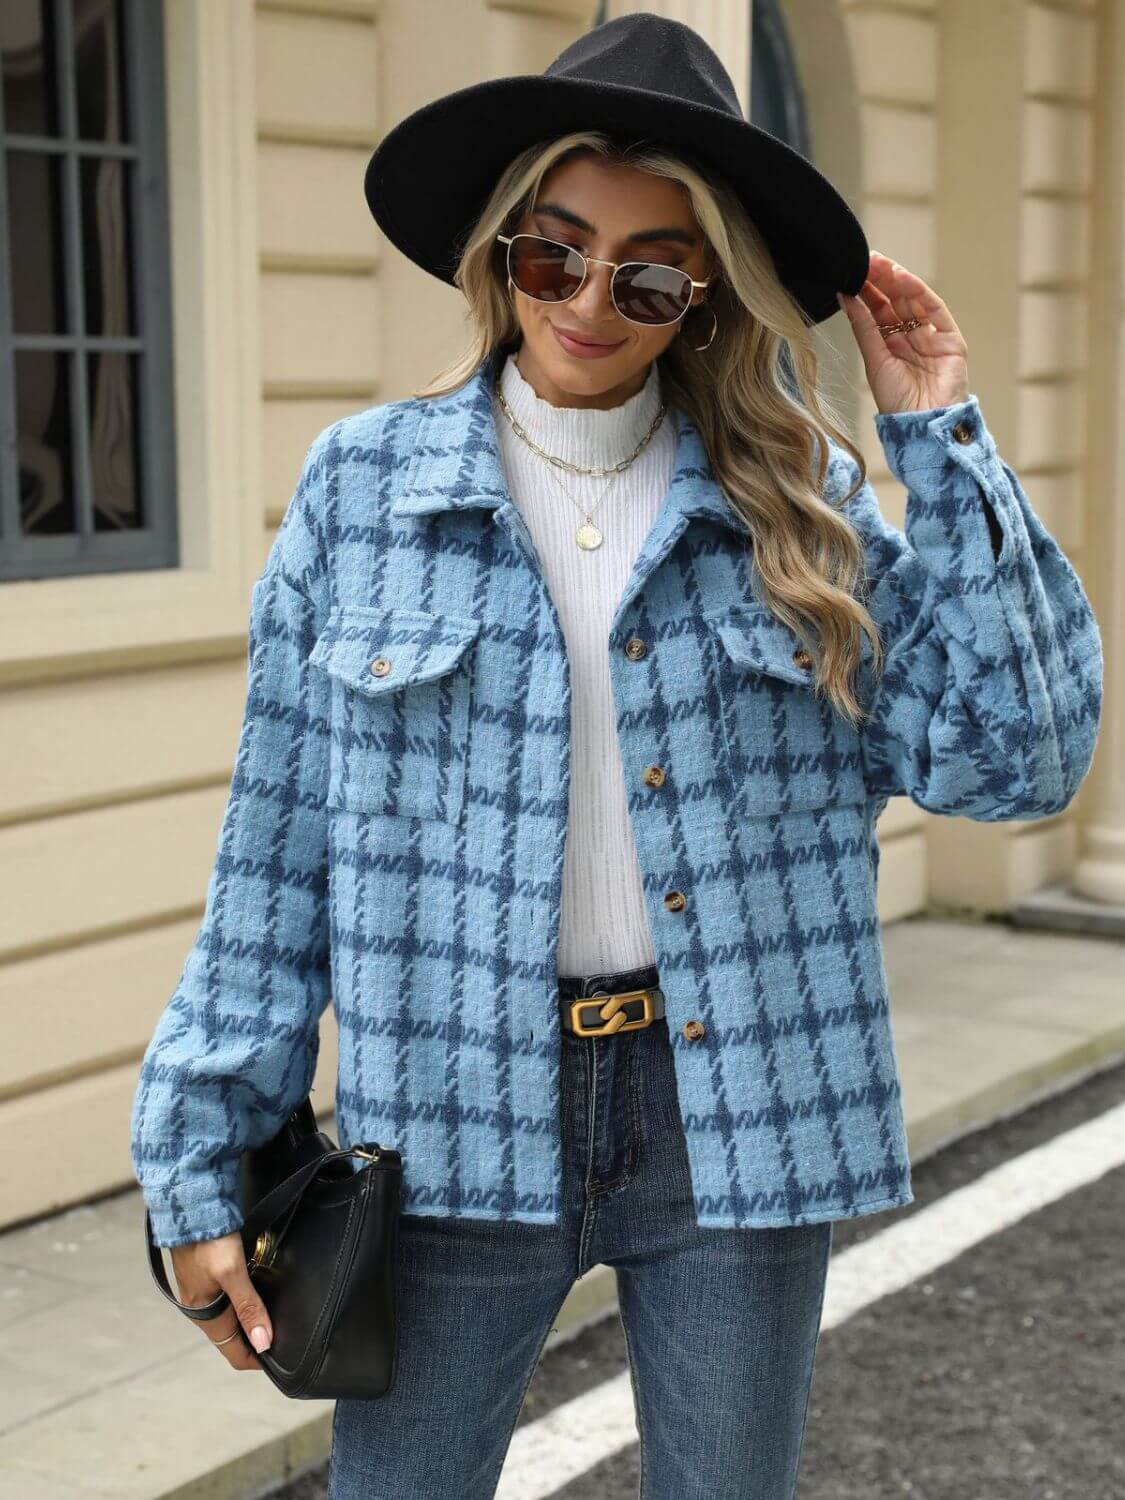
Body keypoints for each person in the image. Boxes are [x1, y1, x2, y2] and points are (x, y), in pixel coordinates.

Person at [129, 14, 1103, 1500]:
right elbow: (277, 851)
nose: (591, 298)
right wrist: (199, 1153)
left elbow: (1013, 758)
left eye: (648, 270)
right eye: (553, 252)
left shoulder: (805, 505)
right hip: (446, 1107)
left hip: (737, 1108)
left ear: (702, 293)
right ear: (499, 252)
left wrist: (941, 439)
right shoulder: (364, 490)